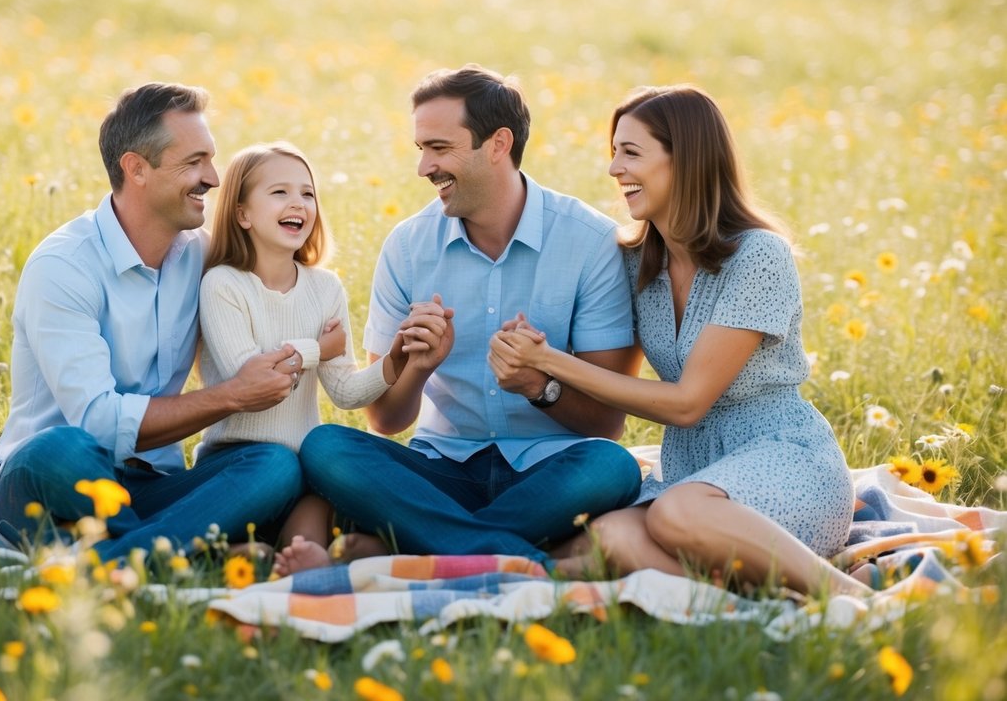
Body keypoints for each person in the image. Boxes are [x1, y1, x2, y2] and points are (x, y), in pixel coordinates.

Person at [489, 85, 870, 596]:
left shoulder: (758, 256)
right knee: (608, 535)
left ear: (684, 160)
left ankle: (844, 595)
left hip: (784, 461)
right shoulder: (634, 261)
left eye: (631, 153)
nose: (614, 169)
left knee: (675, 513)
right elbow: (607, 377)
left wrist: (552, 362)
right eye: (614, 152)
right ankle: (773, 594)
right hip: (693, 469)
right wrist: (531, 361)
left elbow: (688, 402)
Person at [296, 64, 643, 573]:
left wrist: (537, 386)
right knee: (327, 446)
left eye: (440, 148)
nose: (424, 168)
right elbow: (385, 421)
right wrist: (414, 365)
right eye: (422, 150)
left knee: (611, 467)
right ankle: (520, 559)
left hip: (549, 474)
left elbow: (609, 423)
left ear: (498, 144)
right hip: (441, 470)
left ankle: (426, 544)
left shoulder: (591, 243)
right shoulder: (408, 247)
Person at [0, 82, 306, 561]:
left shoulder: (201, 258)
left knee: (275, 465)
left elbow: (272, 296)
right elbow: (97, 424)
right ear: (135, 168)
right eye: (194, 162)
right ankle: (175, 548)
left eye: (211, 160)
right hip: (49, 483)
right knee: (63, 447)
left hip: (150, 485)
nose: (214, 179)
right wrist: (234, 393)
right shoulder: (64, 266)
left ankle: (115, 559)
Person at [197, 141, 416, 571]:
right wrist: (319, 349)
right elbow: (255, 378)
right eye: (279, 192)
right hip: (239, 463)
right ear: (242, 214)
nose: (298, 203)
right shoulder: (223, 285)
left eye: (308, 193)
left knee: (318, 493)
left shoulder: (325, 289)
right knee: (276, 472)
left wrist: (396, 359)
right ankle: (236, 548)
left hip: (300, 466)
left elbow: (346, 392)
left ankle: (293, 558)